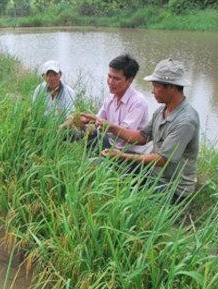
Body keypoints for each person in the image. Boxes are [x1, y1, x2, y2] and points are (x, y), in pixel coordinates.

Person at [84, 58, 199, 204]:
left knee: (124, 199)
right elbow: (142, 136)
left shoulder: (185, 120)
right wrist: (109, 126)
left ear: (171, 87)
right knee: (109, 175)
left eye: (156, 86)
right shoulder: (161, 111)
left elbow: (162, 159)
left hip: (173, 187)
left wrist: (122, 156)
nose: (152, 91)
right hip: (154, 175)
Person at [80, 54, 151, 153]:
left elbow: (124, 135)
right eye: (109, 76)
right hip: (111, 144)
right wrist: (87, 120)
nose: (110, 82)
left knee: (93, 139)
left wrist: (101, 124)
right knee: (76, 134)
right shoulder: (110, 98)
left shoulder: (138, 102)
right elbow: (99, 119)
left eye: (116, 79)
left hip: (129, 153)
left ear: (129, 80)